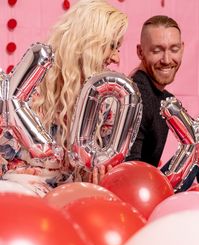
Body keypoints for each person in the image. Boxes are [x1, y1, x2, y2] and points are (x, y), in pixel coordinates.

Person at [0, 0, 128, 196]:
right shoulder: (31, 81)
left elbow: (99, 166)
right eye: (112, 46)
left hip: (72, 200)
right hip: (20, 193)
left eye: (118, 47)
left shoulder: (107, 100)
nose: (116, 58)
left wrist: (98, 179)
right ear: (88, 41)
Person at [126, 15, 199, 191]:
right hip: (141, 194)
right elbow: (128, 171)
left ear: (183, 49)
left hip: (150, 187)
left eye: (174, 49)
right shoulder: (138, 97)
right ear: (140, 52)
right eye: (157, 51)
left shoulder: (161, 98)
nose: (167, 59)